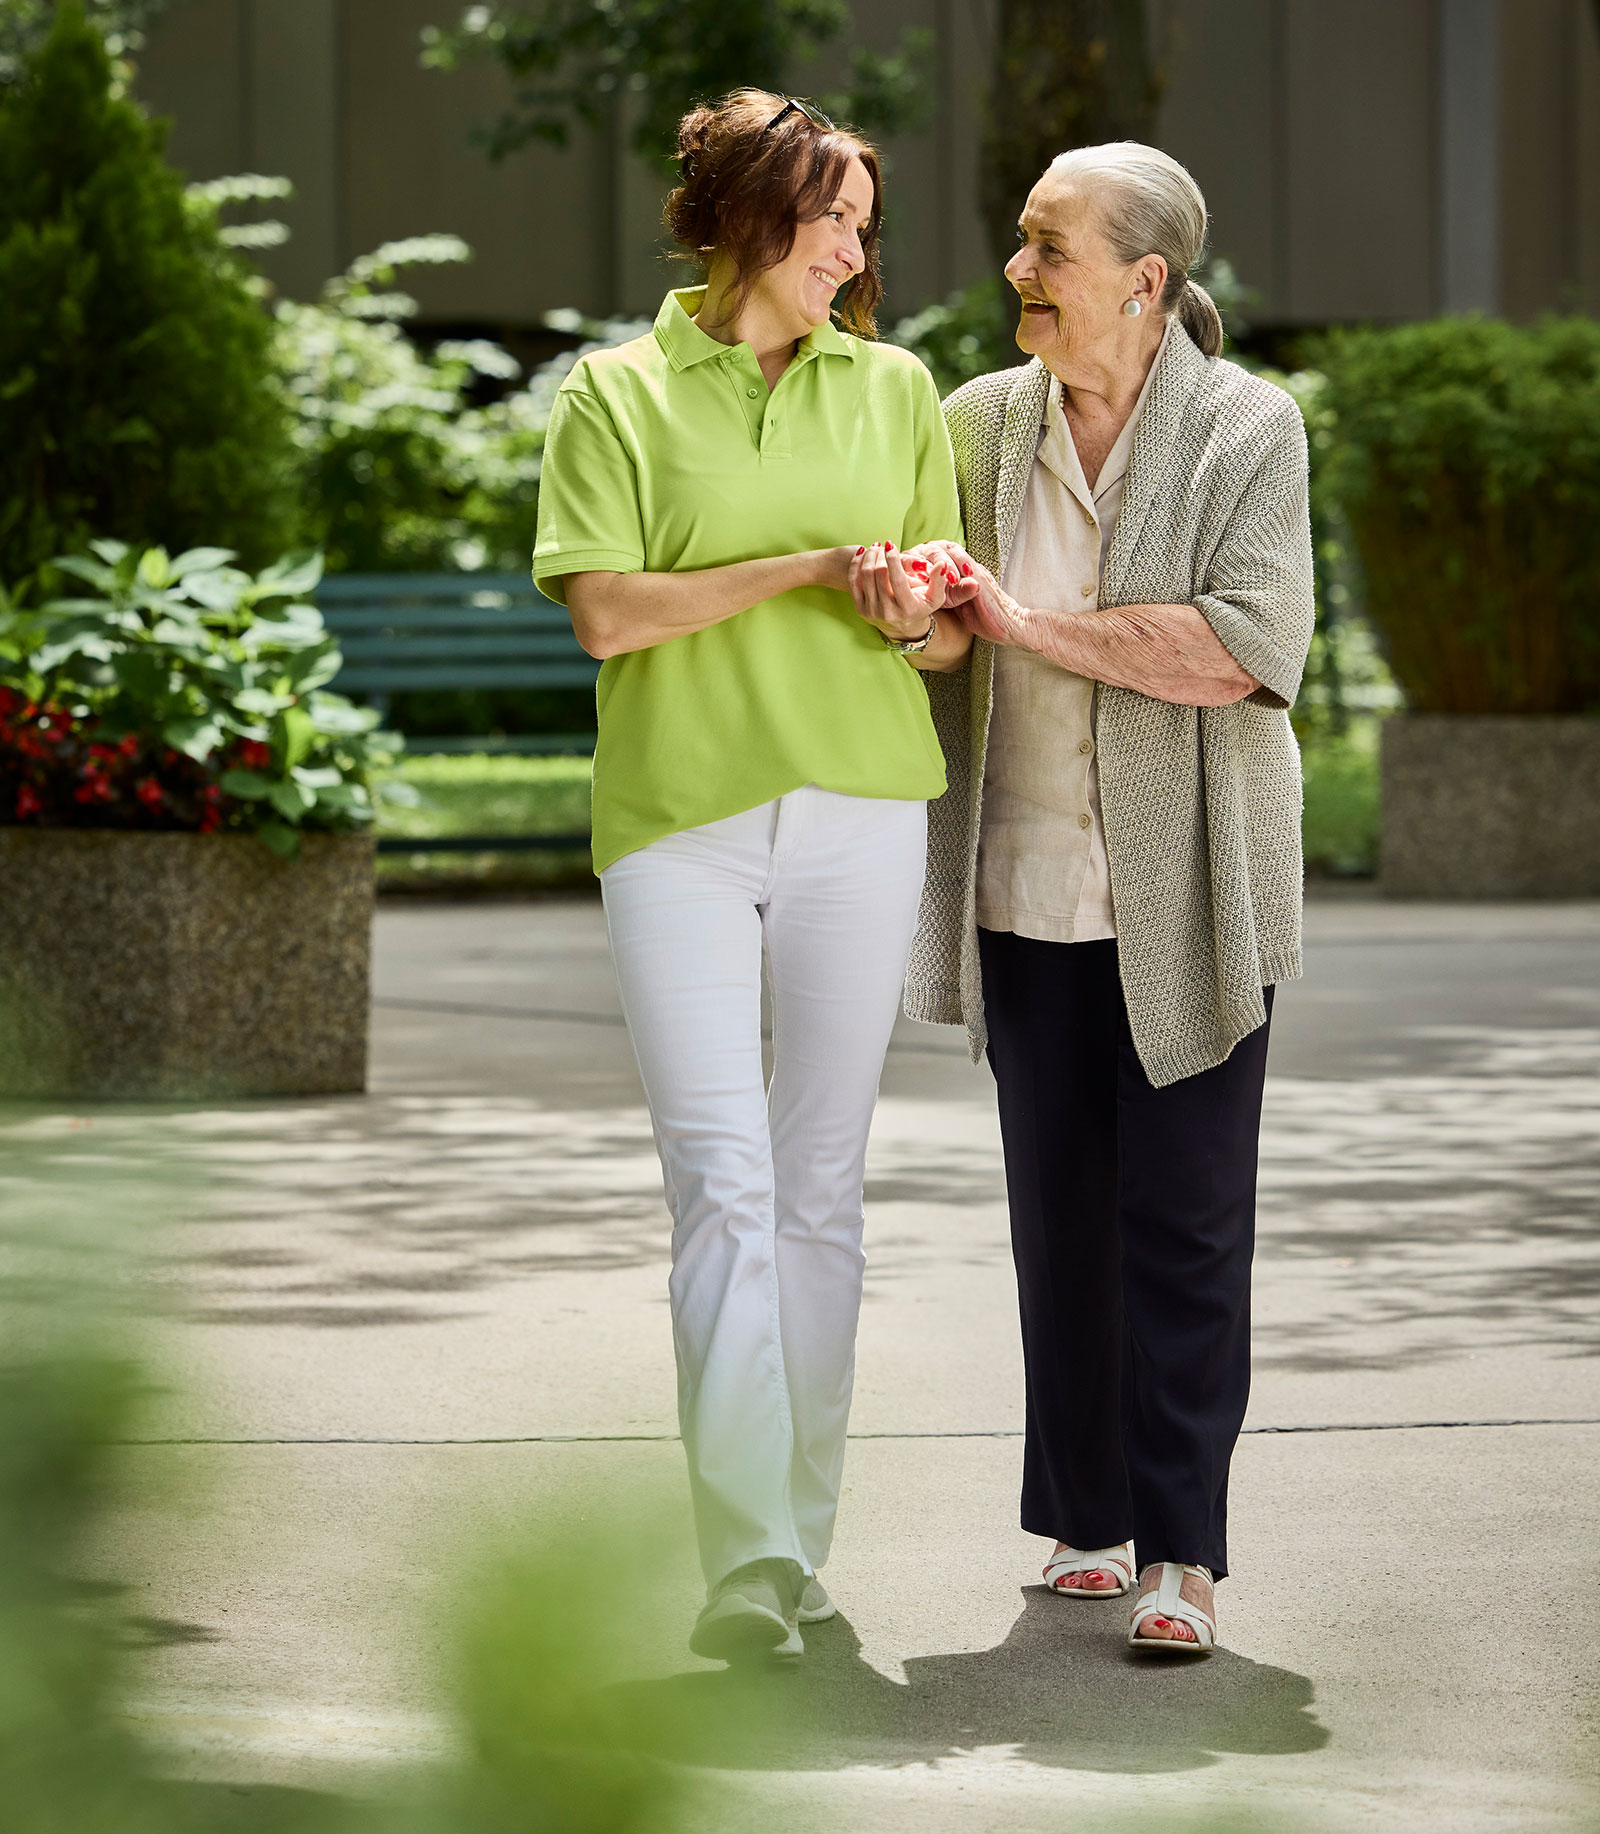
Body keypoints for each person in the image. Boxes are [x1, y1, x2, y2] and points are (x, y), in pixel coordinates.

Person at [531, 89, 969, 1664]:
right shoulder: (618, 393)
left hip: (860, 807)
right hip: (678, 822)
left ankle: (797, 1541)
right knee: (719, 1185)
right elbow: (605, 612)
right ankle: (747, 1561)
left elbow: (937, 626)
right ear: (741, 216)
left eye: (864, 219)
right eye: (828, 214)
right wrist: (803, 566)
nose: (854, 247)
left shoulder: (898, 387)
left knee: (821, 1187)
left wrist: (911, 607)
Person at [901, 142, 1314, 1654]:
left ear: (1144, 280)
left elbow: (1245, 652)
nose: (1016, 270)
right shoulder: (977, 424)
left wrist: (1025, 623)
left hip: (1195, 891)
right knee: (1059, 1215)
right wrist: (929, 622)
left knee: (1188, 1222)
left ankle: (1184, 1553)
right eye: (1021, 240)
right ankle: (1086, 1512)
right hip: (1023, 878)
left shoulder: (1247, 432)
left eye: (1045, 246)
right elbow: (948, 638)